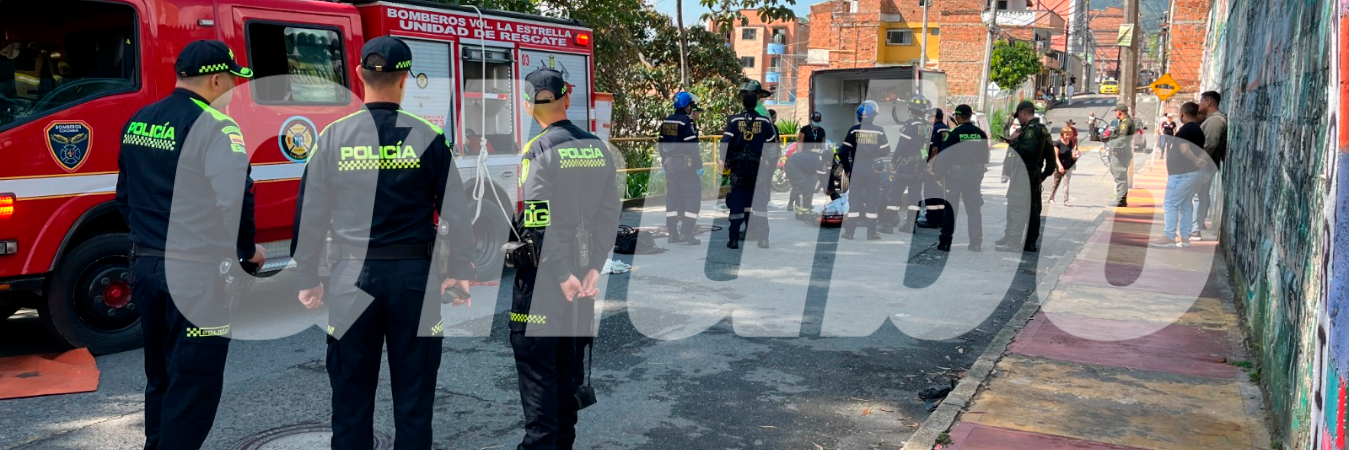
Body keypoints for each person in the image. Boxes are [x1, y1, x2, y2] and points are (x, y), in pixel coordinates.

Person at [291, 37, 474, 450]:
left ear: (359, 74)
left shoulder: (333, 136)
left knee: (350, 398)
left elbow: (311, 213)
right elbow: (455, 212)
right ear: (405, 78)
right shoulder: (429, 136)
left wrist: (308, 278)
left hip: (351, 278)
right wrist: (459, 271)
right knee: (415, 399)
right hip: (415, 281)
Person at [115, 39, 265, 449]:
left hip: (145, 266)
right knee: (194, 384)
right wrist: (246, 252)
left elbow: (124, 197)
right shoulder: (218, 126)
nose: (233, 89)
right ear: (216, 80)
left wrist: (152, 239)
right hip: (196, 276)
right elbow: (237, 198)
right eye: (232, 80)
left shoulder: (140, 119)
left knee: (161, 376)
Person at [512, 67, 622, 449]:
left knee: (540, 387)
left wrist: (560, 274)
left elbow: (536, 221)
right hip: (581, 281)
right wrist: (593, 268)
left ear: (528, 106)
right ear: (567, 98)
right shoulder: (598, 147)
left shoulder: (537, 149)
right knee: (566, 388)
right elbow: (610, 213)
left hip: (546, 285)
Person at [720, 80, 780, 249]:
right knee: (759, 203)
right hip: (758, 168)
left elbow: (725, 143)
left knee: (738, 202)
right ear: (756, 103)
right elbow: (772, 145)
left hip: (738, 168)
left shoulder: (734, 121)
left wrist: (723, 161)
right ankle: (763, 239)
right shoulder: (765, 121)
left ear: (743, 103)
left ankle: (733, 239)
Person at [995, 101, 1054, 253]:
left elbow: (1026, 151)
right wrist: (1043, 175)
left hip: (1023, 173)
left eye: (1018, 116)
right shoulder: (1042, 129)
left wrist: (1013, 141)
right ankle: (1029, 242)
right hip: (1033, 173)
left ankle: (1014, 242)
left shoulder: (1030, 130)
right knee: (1032, 209)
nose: (1018, 119)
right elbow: (1051, 159)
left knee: (1017, 207)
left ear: (1023, 113)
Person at [931, 104, 989, 252]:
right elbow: (985, 157)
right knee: (974, 209)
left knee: (950, 209)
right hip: (974, 176)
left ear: (957, 116)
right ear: (970, 115)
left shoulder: (954, 133)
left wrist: (938, 174)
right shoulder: (980, 133)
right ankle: (976, 243)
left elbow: (944, 155)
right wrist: (978, 175)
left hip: (955, 176)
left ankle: (945, 242)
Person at [1150, 102, 1208, 248]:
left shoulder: (1186, 129)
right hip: (1191, 173)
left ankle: (1169, 236)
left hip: (1181, 174)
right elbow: (1201, 149)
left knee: (1170, 204)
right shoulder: (1198, 130)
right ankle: (1185, 238)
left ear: (1182, 113)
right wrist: (1197, 161)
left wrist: (1196, 160)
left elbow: (1185, 149)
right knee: (1185, 205)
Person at [838, 100, 890, 240]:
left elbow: (842, 152)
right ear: (874, 115)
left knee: (854, 200)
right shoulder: (879, 130)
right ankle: (872, 233)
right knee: (872, 200)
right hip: (873, 169)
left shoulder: (853, 130)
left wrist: (847, 169)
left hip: (857, 169)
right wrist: (875, 153)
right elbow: (886, 150)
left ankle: (849, 232)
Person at [659, 91, 704, 245]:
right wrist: (699, 165)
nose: (691, 108)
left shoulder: (666, 122)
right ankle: (687, 232)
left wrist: (664, 161)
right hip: (683, 165)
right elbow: (692, 147)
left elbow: (661, 144)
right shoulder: (685, 122)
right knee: (693, 196)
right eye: (691, 105)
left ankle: (672, 234)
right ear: (687, 106)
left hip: (669, 164)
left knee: (672, 198)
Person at [879, 97, 929, 234]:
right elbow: (927, 147)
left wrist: (894, 162)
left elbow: (902, 145)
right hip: (920, 166)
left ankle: (887, 225)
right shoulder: (927, 126)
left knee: (894, 193)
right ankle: (910, 225)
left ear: (911, 110)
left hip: (906, 165)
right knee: (914, 196)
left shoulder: (911, 124)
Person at [1192, 90, 1227, 240]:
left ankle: (1194, 229)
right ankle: (1197, 226)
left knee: (1196, 195)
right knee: (1201, 194)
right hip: (1208, 163)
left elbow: (1211, 143)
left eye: (1201, 101)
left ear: (1208, 102)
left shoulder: (1215, 120)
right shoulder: (1212, 119)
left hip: (1206, 163)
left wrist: (1198, 160)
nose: (1199, 104)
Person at [787, 111, 829, 216]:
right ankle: (792, 202)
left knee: (811, 183)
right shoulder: (805, 129)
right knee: (800, 184)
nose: (816, 122)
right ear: (811, 120)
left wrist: (823, 156)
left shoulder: (821, 131)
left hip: (815, 160)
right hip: (805, 159)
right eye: (815, 120)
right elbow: (800, 143)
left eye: (818, 121)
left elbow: (823, 145)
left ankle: (807, 203)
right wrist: (799, 155)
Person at [917, 104, 950, 229]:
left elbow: (935, 148)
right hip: (944, 165)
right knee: (940, 193)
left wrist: (929, 165)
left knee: (930, 192)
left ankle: (932, 220)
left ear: (935, 117)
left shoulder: (935, 129)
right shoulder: (946, 128)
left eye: (930, 116)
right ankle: (940, 218)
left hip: (935, 165)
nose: (928, 118)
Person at [1105, 103, 1136, 207]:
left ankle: (1120, 200)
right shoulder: (1126, 122)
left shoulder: (1125, 123)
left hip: (1120, 153)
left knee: (1120, 176)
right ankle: (1121, 199)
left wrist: (1113, 147)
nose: (1115, 114)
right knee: (1118, 174)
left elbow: (1122, 138)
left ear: (1119, 112)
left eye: (1116, 112)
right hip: (1122, 152)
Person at [1048, 128, 1079, 206]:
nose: (1068, 136)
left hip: (1068, 166)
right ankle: (1051, 198)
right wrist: (1060, 166)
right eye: (1066, 134)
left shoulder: (1071, 143)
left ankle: (1066, 201)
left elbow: (1072, 154)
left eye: (1070, 134)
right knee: (1056, 182)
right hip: (1059, 167)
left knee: (1066, 183)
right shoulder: (1058, 143)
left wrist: (1075, 155)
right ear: (1062, 134)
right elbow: (1056, 156)